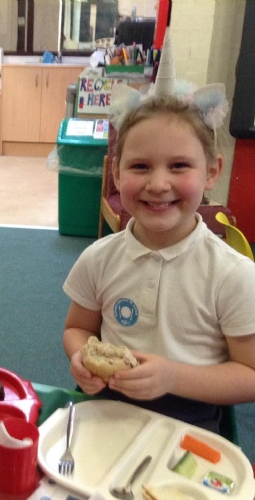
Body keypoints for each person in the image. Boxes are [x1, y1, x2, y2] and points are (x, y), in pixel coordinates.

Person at [62, 85, 255, 433]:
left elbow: (250, 374)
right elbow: (78, 328)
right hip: (106, 409)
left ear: (212, 171)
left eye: (179, 166)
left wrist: (173, 377)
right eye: (140, 166)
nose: (158, 183)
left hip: (189, 422)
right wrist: (80, 356)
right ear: (116, 173)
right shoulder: (99, 258)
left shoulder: (233, 274)